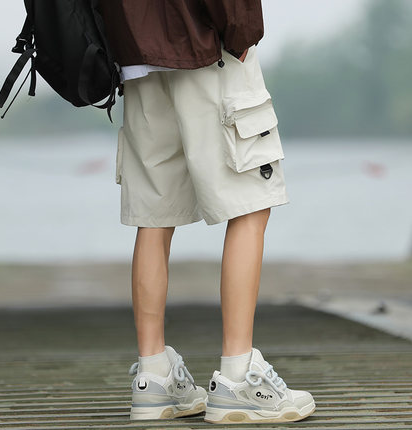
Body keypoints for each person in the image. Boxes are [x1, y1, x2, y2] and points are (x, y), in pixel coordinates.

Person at [99, 0, 316, 424]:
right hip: (201, 42)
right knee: (251, 203)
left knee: (154, 217)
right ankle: (239, 378)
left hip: (136, 56)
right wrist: (241, 30)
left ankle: (153, 376)